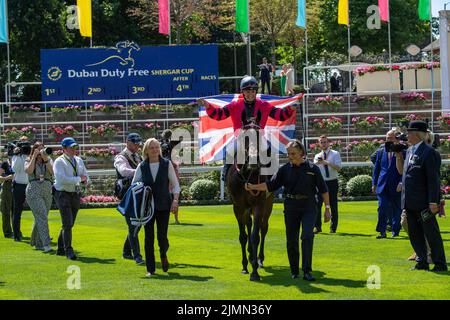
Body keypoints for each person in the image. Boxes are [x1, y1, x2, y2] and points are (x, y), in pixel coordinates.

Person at [245, 140, 331, 281]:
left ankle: (307, 271)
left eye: (293, 153)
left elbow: (323, 190)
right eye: (288, 153)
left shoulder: (312, 169)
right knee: (291, 240)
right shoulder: (284, 170)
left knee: (307, 236)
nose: (290, 156)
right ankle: (294, 271)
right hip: (291, 206)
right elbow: (270, 185)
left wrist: (327, 209)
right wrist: (253, 187)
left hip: (309, 206)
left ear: (301, 153)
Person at [197, 75, 295, 180]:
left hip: (259, 137)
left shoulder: (264, 105)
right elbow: (219, 114)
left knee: (269, 152)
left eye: (252, 91)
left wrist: (290, 108)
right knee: (230, 150)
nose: (250, 94)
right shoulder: (235, 105)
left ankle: (273, 181)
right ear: (243, 92)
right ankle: (226, 174)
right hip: (239, 137)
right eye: (247, 91)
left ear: (256, 92)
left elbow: (279, 115)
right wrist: (208, 106)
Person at [399, 121, 447, 272]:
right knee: (414, 234)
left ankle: (439, 263)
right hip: (410, 201)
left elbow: (433, 179)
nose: (407, 135)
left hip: (425, 203)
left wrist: (433, 201)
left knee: (431, 233)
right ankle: (422, 260)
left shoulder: (429, 153)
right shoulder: (409, 151)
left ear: (416, 134)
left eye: (409, 132)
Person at [131, 138, 180, 277]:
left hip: (164, 205)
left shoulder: (166, 164)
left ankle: (163, 254)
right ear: (146, 150)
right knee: (148, 237)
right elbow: (134, 185)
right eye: (151, 148)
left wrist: (175, 200)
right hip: (147, 208)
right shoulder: (142, 166)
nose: (155, 150)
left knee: (162, 237)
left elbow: (175, 184)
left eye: (156, 147)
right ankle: (150, 269)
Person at [53, 137, 89, 260]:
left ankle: (60, 248)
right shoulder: (59, 161)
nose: (74, 149)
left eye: (75, 147)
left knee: (69, 223)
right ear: (64, 149)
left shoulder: (78, 160)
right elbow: (62, 179)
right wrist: (79, 179)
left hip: (75, 193)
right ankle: (69, 250)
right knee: (67, 223)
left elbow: (85, 174)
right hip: (62, 193)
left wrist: (86, 180)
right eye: (71, 147)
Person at [114, 133, 144, 264]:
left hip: (139, 193)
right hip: (128, 195)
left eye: (138, 143)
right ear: (127, 142)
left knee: (137, 225)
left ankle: (126, 251)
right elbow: (123, 171)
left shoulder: (138, 156)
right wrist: (141, 169)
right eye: (135, 142)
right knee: (133, 225)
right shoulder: (120, 157)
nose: (137, 145)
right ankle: (137, 255)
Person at [371, 129, 405, 239]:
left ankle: (395, 230)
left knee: (397, 209)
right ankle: (382, 231)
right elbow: (376, 168)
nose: (388, 141)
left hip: (396, 185)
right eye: (387, 138)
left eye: (390, 138)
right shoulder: (381, 151)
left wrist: (401, 182)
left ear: (397, 139)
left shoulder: (403, 151)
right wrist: (374, 183)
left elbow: (405, 169)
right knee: (382, 207)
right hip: (382, 184)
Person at [25, 142, 54, 252]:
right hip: (34, 191)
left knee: (41, 217)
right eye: (39, 149)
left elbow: (52, 172)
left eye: (43, 149)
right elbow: (29, 171)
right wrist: (33, 157)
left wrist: (45, 159)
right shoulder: (29, 160)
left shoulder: (48, 159)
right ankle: (45, 244)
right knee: (42, 216)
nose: (41, 151)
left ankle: (36, 242)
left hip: (47, 191)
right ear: (35, 150)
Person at [313, 135, 342, 234]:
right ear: (319, 144)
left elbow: (339, 168)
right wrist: (317, 163)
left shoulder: (335, 154)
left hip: (332, 181)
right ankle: (317, 227)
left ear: (328, 143)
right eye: (322, 142)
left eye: (325, 142)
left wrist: (327, 163)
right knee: (317, 205)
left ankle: (333, 229)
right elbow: (313, 170)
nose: (324, 144)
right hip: (321, 182)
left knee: (333, 205)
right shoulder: (317, 156)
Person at [11, 136, 31, 241]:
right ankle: (16, 234)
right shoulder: (16, 157)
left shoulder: (31, 156)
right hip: (19, 185)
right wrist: (18, 155)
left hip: (30, 185)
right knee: (17, 211)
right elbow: (15, 169)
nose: (25, 148)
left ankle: (38, 234)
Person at [160, 129, 182, 224]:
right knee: (175, 193)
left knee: (167, 194)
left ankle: (167, 218)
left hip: (165, 170)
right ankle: (176, 219)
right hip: (172, 168)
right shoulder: (171, 145)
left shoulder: (163, 145)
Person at [0, 160, 14, 238]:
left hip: (14, 189)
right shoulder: (4, 163)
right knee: (5, 212)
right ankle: (8, 232)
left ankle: (16, 231)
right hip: (6, 190)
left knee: (15, 212)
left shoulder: (19, 160)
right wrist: (7, 178)